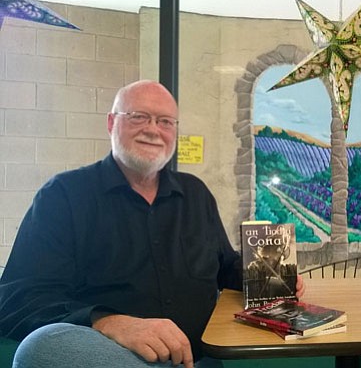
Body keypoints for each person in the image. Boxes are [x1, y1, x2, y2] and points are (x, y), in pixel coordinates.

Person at [0, 80, 304, 368]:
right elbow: (18, 299)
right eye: (138, 117)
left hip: (200, 359)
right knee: (40, 348)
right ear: (111, 123)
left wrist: (272, 275)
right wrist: (109, 322)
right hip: (116, 361)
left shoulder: (195, 194)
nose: (153, 130)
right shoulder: (63, 196)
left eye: (165, 122)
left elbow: (224, 267)